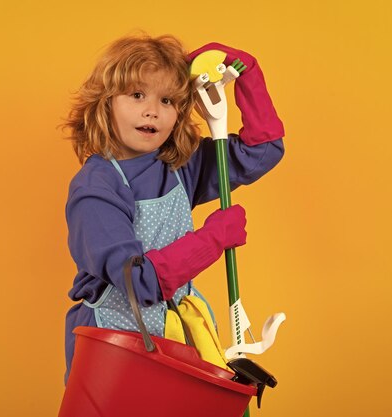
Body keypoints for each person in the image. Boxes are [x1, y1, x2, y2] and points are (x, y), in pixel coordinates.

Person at [62, 34, 285, 383]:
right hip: (114, 348)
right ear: (105, 103)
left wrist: (249, 75)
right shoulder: (96, 189)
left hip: (175, 338)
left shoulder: (178, 164)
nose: (152, 109)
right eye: (137, 95)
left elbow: (264, 151)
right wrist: (211, 240)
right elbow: (139, 282)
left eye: (167, 99)